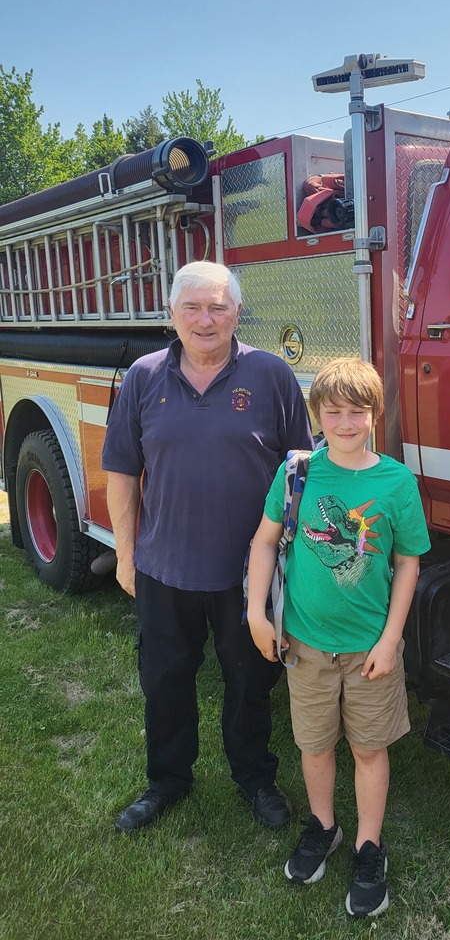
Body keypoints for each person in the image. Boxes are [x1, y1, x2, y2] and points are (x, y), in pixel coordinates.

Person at [102, 260, 313, 834]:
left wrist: (297, 561)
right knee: (165, 680)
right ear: (171, 315)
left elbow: (302, 470)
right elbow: (121, 469)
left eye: (218, 306)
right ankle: (167, 780)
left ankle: (254, 776)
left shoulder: (271, 376)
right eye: (192, 307)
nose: (205, 318)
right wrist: (125, 553)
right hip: (163, 567)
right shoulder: (143, 377)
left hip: (249, 573)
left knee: (251, 681)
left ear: (237, 312)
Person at [246, 357, 430, 917]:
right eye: (334, 412)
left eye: (357, 412)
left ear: (375, 414)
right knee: (314, 744)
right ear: (316, 416)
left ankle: (368, 847)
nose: (346, 423)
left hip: (370, 650)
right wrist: (257, 613)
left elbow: (408, 564)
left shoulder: (396, 481)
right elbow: (263, 543)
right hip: (305, 644)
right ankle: (322, 826)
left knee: (369, 748)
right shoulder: (298, 474)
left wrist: (390, 639)